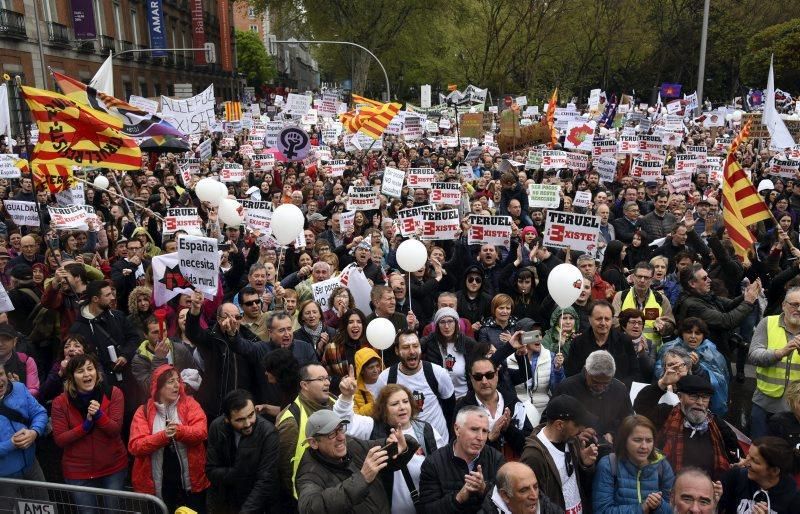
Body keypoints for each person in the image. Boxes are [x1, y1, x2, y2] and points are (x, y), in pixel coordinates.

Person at [333, 377, 448, 513]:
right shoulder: (373, 428)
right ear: (384, 409)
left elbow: (443, 465)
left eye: (405, 401)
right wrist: (346, 396)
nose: (402, 407)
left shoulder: (425, 429)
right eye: (394, 404)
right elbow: (345, 423)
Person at [295, 409, 418, 513]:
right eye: (331, 434)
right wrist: (362, 478)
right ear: (314, 442)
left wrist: (400, 445)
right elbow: (311, 508)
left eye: (341, 429)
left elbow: (380, 448)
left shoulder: (350, 444)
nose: (342, 437)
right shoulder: (309, 474)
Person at [50, 354, 128, 513]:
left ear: (97, 373)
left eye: (90, 369)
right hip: (78, 472)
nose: (86, 374)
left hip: (112, 467)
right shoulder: (60, 402)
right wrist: (85, 427)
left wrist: (99, 416)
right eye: (80, 371)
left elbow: (115, 429)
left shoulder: (113, 393)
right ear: (71, 377)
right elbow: (60, 439)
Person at [128, 364, 210, 512]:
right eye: (170, 381)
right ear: (158, 387)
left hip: (191, 484)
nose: (177, 385)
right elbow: (136, 446)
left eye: (177, 380)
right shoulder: (143, 411)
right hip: (159, 486)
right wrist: (163, 436)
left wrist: (179, 431)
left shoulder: (190, 404)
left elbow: (201, 432)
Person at [417, 406, 506, 513]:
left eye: (485, 431)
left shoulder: (496, 458)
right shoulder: (433, 463)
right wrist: (458, 498)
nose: (480, 437)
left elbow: (507, 503)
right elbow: (427, 510)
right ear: (457, 429)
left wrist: (484, 489)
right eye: (474, 429)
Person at [519, 394, 599, 513]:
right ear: (559, 425)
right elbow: (532, 502)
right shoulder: (534, 457)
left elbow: (576, 485)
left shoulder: (572, 441)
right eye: (577, 425)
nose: (582, 429)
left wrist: (584, 465)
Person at [206, 389, 280, 514]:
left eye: (251, 415)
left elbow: (266, 480)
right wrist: (240, 474)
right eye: (240, 420)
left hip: (255, 506)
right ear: (227, 420)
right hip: (223, 502)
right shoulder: (217, 428)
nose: (247, 423)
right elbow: (211, 470)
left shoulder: (268, 433)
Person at [375, 329, 456, 442]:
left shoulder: (438, 373)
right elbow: (381, 415)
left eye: (415, 346)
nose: (412, 351)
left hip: (438, 444)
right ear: (397, 351)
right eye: (406, 347)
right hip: (404, 447)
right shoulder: (385, 379)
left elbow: (451, 409)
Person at [654, 375, 740, 480]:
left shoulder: (718, 425)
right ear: (680, 396)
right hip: (671, 487)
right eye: (694, 396)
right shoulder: (665, 415)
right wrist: (661, 384)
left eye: (704, 398)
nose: (699, 403)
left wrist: (737, 461)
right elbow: (642, 405)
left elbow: (737, 454)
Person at [186, 291, 256, 416]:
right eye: (229, 317)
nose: (234, 321)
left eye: (238, 317)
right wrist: (195, 310)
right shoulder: (211, 338)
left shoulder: (251, 339)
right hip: (215, 407)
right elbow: (193, 332)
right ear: (219, 319)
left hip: (243, 406)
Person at [592, 414, 675, 514]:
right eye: (637, 440)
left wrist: (659, 505)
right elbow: (602, 510)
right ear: (624, 441)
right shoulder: (609, 464)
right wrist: (641, 509)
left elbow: (673, 509)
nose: (644, 446)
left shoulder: (663, 466)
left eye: (649, 440)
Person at [674, 263, 760, 356]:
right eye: (704, 278)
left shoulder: (705, 296)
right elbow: (726, 321)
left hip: (716, 350)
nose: (709, 280)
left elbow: (729, 304)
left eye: (708, 276)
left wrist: (747, 294)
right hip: (706, 356)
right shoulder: (693, 305)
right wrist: (748, 302)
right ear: (692, 283)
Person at [455, 357, 533, 460]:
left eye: (489, 375)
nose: (484, 381)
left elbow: (528, 443)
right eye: (478, 377)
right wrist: (489, 438)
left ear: (496, 375)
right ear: (471, 378)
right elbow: (458, 449)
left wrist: (508, 429)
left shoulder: (512, 401)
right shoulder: (463, 408)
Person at [749, 286, 800, 439]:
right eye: (794, 304)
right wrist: (779, 353)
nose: (798, 309)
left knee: (789, 458)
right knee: (759, 452)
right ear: (784, 305)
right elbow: (753, 355)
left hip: (797, 410)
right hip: (764, 404)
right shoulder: (768, 323)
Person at [69, 280, 139, 391]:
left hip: (127, 379)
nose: (112, 297)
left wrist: (125, 355)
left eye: (112, 293)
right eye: (107, 295)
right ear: (95, 299)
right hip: (101, 385)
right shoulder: (78, 328)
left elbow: (134, 338)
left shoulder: (118, 316)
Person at [555, 350, 633, 446]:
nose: (600, 387)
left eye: (605, 383)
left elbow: (628, 421)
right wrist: (575, 436)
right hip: (575, 449)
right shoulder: (567, 388)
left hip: (611, 449)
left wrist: (613, 434)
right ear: (586, 372)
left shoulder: (620, 389)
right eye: (595, 382)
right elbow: (549, 423)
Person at [655, 317, 729, 418]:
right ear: (682, 334)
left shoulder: (712, 354)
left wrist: (697, 368)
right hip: (672, 401)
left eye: (698, 333)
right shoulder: (668, 349)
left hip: (701, 405)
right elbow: (658, 374)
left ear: (703, 336)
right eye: (689, 332)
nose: (693, 336)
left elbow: (719, 383)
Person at [564, 300, 639, 385]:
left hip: (618, 392)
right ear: (589, 319)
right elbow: (571, 373)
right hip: (586, 394)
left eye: (607, 319)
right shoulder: (578, 343)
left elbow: (635, 372)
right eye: (599, 319)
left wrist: (621, 386)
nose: (603, 323)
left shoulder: (624, 341)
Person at [718, 436, 800, 514]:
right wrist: (714, 501)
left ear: (774, 471)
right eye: (748, 455)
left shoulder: (793, 499)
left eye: (755, 461)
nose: (746, 463)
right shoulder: (736, 477)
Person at [0, 362, 48, 485]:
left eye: (1, 374)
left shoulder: (19, 388)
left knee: (43, 503)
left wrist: (34, 432)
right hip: (5, 479)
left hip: (32, 467)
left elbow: (40, 413)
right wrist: (11, 444)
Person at [611, 261, 676, 349]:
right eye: (639, 276)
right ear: (633, 277)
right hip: (625, 348)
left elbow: (671, 325)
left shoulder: (661, 299)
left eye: (646, 277)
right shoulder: (621, 296)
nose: (642, 280)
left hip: (653, 351)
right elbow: (613, 323)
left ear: (652, 279)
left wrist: (663, 326)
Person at [131, 315, 197, 398]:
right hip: (157, 406)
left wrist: (184, 386)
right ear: (145, 335)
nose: (161, 336)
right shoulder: (139, 359)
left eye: (164, 330)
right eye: (155, 332)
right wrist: (159, 358)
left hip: (182, 401)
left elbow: (196, 376)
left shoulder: (180, 349)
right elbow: (148, 389)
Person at [421, 307, 478, 399]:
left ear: (456, 323)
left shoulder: (468, 343)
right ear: (437, 325)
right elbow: (414, 348)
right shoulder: (431, 341)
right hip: (440, 397)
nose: (446, 326)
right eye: (442, 322)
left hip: (464, 396)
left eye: (450, 321)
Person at [481, 461, 562, 514]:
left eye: (535, 487)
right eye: (524, 490)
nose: (534, 496)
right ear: (505, 495)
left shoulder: (550, 509)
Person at [618, 308, 657, 383]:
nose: (636, 326)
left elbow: (650, 371)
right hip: (621, 384)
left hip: (641, 386)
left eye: (640, 323)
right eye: (633, 322)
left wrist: (642, 353)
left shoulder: (650, 344)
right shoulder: (616, 341)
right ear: (623, 325)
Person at [0, 324, 38, 398]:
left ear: (15, 341)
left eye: (5, 339)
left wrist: (19, 390)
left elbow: (34, 389)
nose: (0, 344)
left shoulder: (26, 361)